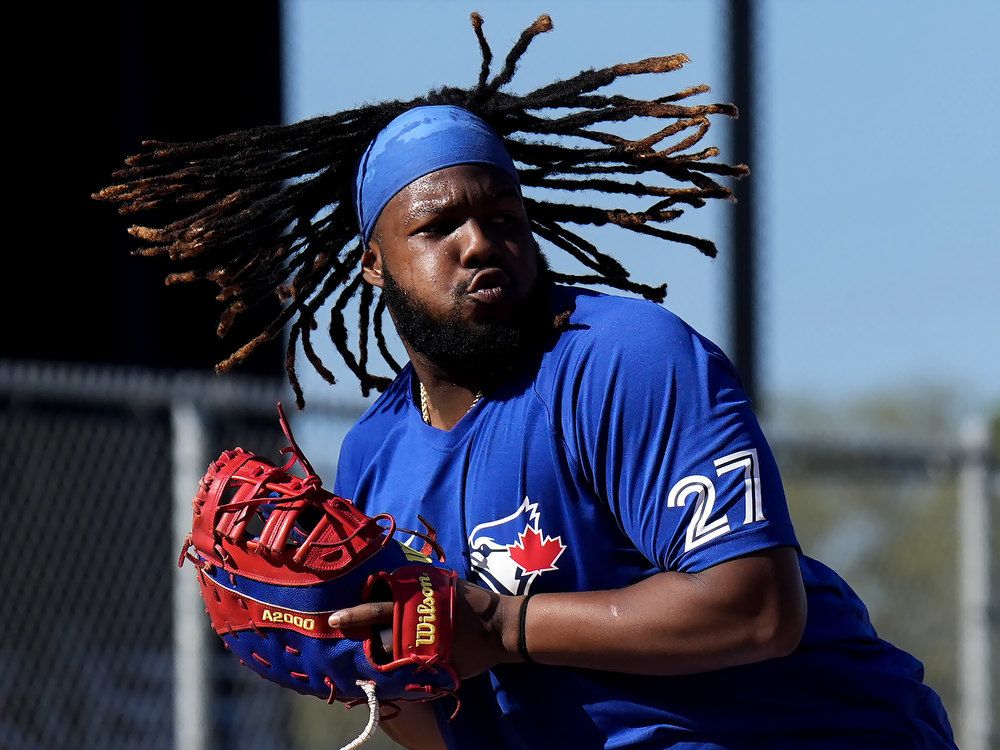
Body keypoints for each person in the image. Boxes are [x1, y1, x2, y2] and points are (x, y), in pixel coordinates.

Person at [95, 14, 957, 750]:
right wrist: (376, 679)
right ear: (373, 265)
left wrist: (501, 626)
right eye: (438, 226)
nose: (478, 242)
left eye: (501, 217)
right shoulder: (375, 458)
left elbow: (757, 609)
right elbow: (449, 719)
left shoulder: (623, 360)